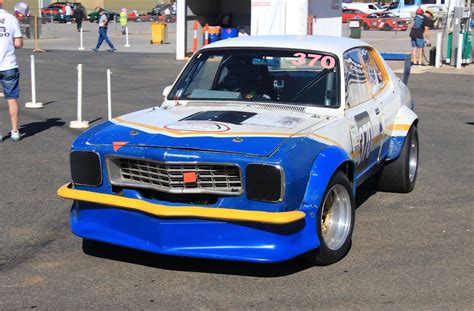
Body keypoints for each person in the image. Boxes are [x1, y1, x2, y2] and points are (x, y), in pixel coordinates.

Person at [0, 3, 23, 141]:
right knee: (12, 99)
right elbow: (18, 43)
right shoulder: (11, 18)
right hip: (8, 64)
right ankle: (15, 131)